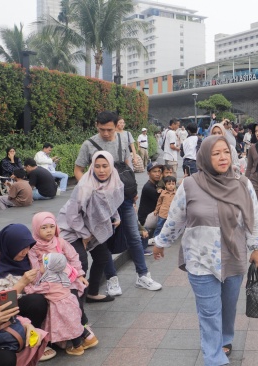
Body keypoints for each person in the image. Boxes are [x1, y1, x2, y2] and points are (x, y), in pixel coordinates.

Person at [152, 135, 258, 366]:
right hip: (200, 258)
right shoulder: (190, 184)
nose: (223, 157)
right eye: (216, 153)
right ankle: (214, 358)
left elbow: (254, 218)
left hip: (234, 255)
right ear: (204, 156)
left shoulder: (242, 183)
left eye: (225, 151)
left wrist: (256, 247)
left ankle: (225, 338)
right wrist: (161, 242)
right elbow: (176, 217)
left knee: (228, 305)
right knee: (209, 311)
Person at [74, 111, 162, 292]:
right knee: (103, 238)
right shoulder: (89, 144)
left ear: (117, 126)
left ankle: (143, 275)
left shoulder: (122, 139)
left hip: (123, 198)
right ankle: (112, 279)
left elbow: (127, 167)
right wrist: (88, 189)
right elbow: (78, 169)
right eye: (102, 129)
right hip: (99, 202)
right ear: (96, 125)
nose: (106, 133)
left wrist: (133, 190)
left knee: (134, 235)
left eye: (110, 130)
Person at [27, 212, 96, 354]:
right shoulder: (33, 247)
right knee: (60, 306)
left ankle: (79, 333)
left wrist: (80, 274)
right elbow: (34, 269)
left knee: (74, 302)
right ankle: (75, 336)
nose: (49, 231)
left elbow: (73, 256)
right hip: (49, 281)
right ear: (36, 229)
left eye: (52, 227)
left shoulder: (59, 241)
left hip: (67, 278)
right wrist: (43, 268)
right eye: (44, 227)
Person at [0, 224, 56, 362]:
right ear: (9, 246)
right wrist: (21, 284)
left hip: (24, 307)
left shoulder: (28, 258)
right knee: (36, 301)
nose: (25, 252)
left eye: (28, 246)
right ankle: (30, 342)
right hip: (4, 313)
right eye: (20, 248)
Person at [62, 150, 124, 302]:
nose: (101, 170)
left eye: (105, 166)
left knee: (102, 257)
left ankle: (92, 293)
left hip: (92, 230)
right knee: (81, 262)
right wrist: (85, 235)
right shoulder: (85, 186)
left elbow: (111, 203)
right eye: (97, 166)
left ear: (111, 167)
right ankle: (76, 305)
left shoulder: (114, 182)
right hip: (72, 229)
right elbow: (72, 214)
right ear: (91, 167)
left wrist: (116, 216)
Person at [28, 253, 92, 355]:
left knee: (69, 326)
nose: (40, 266)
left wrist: (26, 284)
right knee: (74, 323)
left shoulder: (48, 281)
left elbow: (34, 290)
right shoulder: (62, 274)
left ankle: (77, 347)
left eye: (42, 264)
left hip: (60, 307)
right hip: (71, 302)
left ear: (49, 267)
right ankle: (90, 338)